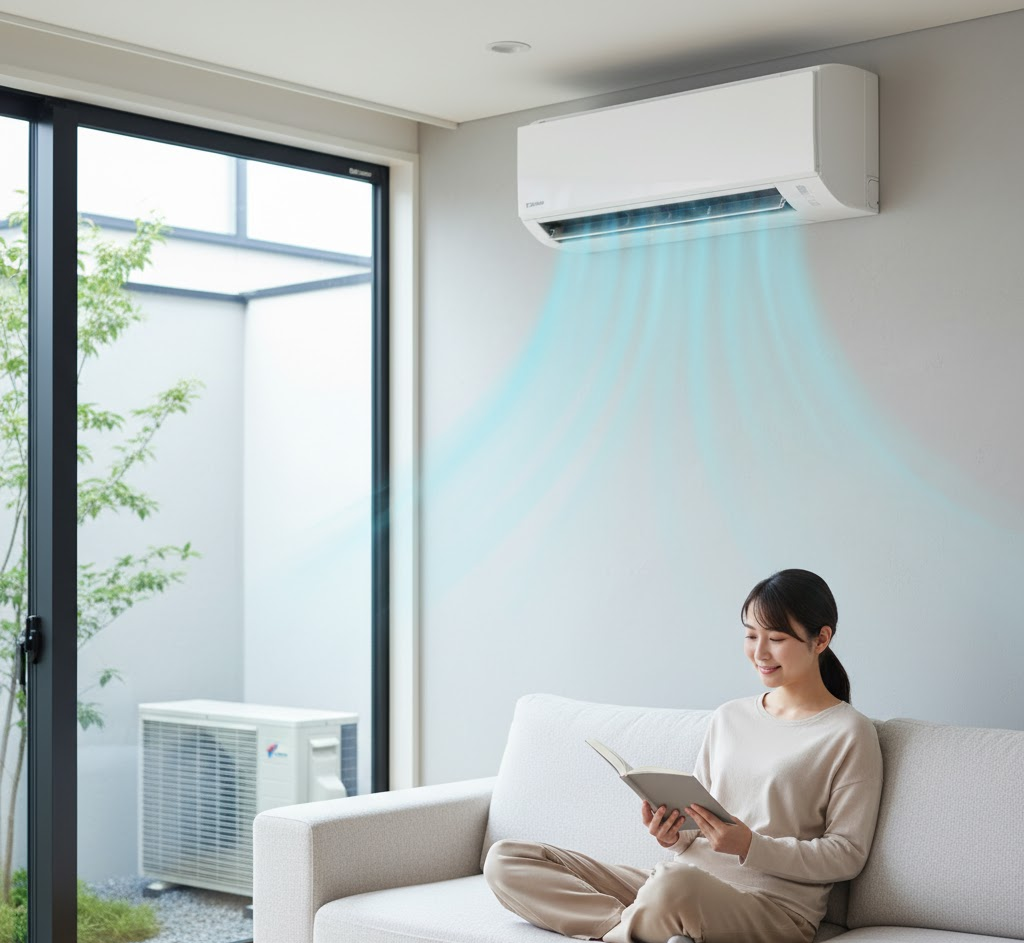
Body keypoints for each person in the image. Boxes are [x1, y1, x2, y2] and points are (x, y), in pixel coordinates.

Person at [483, 568, 884, 943]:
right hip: (681, 881)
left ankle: (636, 925)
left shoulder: (849, 733)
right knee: (507, 859)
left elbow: (846, 855)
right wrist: (675, 835)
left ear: (821, 639)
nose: (759, 651)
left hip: (771, 909)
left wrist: (750, 845)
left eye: (776, 639)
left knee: (671, 888)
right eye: (750, 635)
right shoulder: (730, 717)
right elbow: (702, 819)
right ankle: (640, 926)